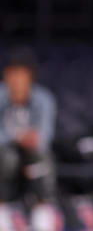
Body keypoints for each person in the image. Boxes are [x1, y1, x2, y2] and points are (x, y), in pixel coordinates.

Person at [0, 46, 57, 204]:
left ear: (29, 76)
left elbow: (46, 134)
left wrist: (32, 139)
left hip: (33, 151)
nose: (16, 79)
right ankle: (3, 205)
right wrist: (16, 137)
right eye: (11, 73)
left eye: (20, 73)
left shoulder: (44, 98)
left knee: (41, 157)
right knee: (8, 158)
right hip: (5, 150)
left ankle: (43, 205)